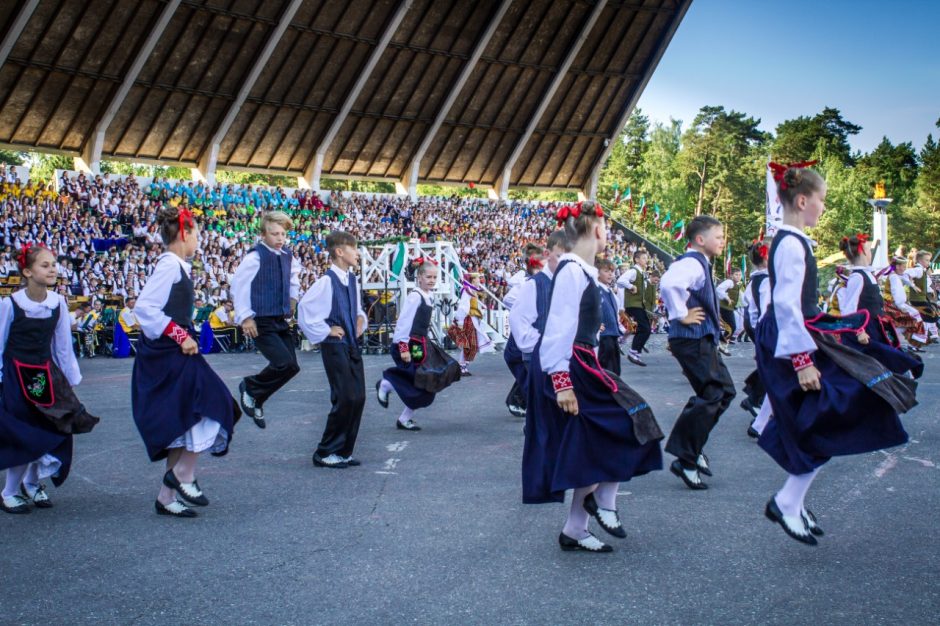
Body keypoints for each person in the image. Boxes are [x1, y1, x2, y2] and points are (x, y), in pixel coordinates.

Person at [756, 164, 915, 545]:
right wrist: (802, 360)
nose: (824, 208)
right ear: (802, 200)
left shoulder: (792, 240)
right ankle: (788, 500)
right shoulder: (792, 243)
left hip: (799, 334)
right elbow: (787, 304)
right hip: (792, 340)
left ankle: (792, 498)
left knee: (830, 412)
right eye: (822, 201)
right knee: (830, 412)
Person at [522, 202, 663, 553]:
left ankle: (576, 527)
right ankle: (603, 501)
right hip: (572, 366)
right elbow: (556, 329)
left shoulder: (580, 271)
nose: (610, 234)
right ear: (597, 229)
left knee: (594, 442)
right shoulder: (571, 271)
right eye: (608, 228)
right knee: (630, 418)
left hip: (581, 361)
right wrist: (562, 382)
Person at [132, 207, 241, 518]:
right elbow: (146, 308)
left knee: (184, 418)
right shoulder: (169, 265)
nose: (199, 240)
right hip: (171, 353)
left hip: (177, 351)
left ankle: (167, 496)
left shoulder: (177, 266)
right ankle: (183, 475)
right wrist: (180, 335)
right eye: (196, 234)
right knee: (216, 402)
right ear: (184, 233)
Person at [0, 245, 99, 514]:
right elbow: (0, 342)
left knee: (48, 427)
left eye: (54, 264)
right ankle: (9, 490)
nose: (53, 269)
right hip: (15, 374)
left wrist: (69, 377)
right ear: (27, 271)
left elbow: (63, 345)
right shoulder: (10, 304)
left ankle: (32, 483)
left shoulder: (56, 302)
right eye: (45, 265)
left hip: (44, 373)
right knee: (24, 431)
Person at [659, 215, 736, 490]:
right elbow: (668, 285)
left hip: (699, 339)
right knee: (714, 393)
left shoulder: (699, 262)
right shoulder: (692, 262)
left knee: (724, 392)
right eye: (719, 236)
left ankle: (691, 449)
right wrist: (680, 314)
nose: (722, 241)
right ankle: (686, 457)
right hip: (692, 339)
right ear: (701, 240)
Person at [297, 231, 367, 469]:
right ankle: (325, 451)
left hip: (351, 345)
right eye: (353, 248)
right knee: (345, 396)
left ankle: (344, 451)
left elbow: (357, 310)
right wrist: (327, 331)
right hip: (336, 347)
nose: (357, 253)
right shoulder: (327, 281)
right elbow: (305, 311)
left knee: (358, 397)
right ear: (339, 251)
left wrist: (360, 319)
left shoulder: (352, 280)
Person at [232, 211, 301, 428]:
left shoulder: (288, 255)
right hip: (260, 320)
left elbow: (293, 278)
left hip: (279, 318)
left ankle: (257, 397)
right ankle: (250, 387)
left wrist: (293, 299)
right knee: (283, 363)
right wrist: (246, 318)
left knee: (292, 367)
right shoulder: (255, 256)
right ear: (263, 235)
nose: (280, 238)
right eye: (274, 234)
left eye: (282, 234)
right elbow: (239, 286)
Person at [376, 258, 459, 431]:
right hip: (410, 345)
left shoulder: (428, 295)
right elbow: (404, 323)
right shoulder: (415, 296)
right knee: (420, 380)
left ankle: (404, 418)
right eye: (428, 276)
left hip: (421, 343)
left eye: (434, 277)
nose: (431, 280)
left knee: (427, 381)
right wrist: (404, 347)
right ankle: (387, 384)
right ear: (419, 277)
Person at [838, 234, 923, 378]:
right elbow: (848, 308)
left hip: (876, 325)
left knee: (886, 358)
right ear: (864, 253)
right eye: (869, 250)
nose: (870, 253)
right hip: (865, 328)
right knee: (876, 361)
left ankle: (896, 383)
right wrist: (859, 331)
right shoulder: (857, 277)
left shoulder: (867, 274)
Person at [508, 230, 568, 413]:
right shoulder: (534, 284)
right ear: (548, 255)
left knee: (555, 409)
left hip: (560, 356)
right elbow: (518, 320)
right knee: (545, 407)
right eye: (559, 257)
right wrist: (540, 344)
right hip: (538, 355)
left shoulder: (566, 283)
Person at [503, 250, 545, 417]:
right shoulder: (527, 282)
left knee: (531, 367)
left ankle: (524, 400)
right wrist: (526, 312)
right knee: (522, 362)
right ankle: (525, 400)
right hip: (527, 331)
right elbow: (509, 300)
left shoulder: (544, 281)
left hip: (535, 332)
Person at [741, 240, 770, 436]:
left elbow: (750, 309)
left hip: (758, 328)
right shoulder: (767, 280)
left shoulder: (755, 280)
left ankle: (758, 411)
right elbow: (765, 310)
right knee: (777, 371)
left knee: (773, 370)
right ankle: (755, 400)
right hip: (766, 329)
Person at [451, 273, 493, 375]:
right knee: (468, 344)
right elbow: (463, 306)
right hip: (468, 319)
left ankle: (464, 366)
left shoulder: (472, 290)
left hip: (473, 319)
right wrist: (460, 321)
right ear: (473, 280)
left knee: (472, 344)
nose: (479, 279)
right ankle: (461, 366)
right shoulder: (467, 290)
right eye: (478, 278)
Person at [883, 256, 928, 352]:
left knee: (903, 323)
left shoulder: (894, 275)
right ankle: (911, 343)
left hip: (891, 304)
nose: (904, 268)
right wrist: (902, 306)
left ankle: (897, 341)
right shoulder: (894, 277)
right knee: (911, 320)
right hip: (894, 304)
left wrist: (913, 285)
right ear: (898, 266)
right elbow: (897, 293)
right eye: (903, 266)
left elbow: (904, 278)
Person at [617, 249, 653, 366]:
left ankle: (635, 352)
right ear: (636, 259)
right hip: (633, 305)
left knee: (645, 328)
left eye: (646, 258)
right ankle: (633, 352)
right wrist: (631, 286)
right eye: (643, 258)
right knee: (645, 328)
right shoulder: (633, 271)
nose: (646, 260)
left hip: (638, 305)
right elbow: (620, 280)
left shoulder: (642, 273)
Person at [905, 250, 939, 343]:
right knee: (930, 315)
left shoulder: (922, 270)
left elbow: (926, 284)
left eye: (929, 260)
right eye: (927, 260)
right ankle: (921, 337)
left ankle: (925, 337)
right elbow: (906, 274)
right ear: (920, 260)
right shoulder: (918, 269)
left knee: (929, 316)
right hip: (917, 299)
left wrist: (931, 291)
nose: (929, 262)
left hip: (921, 298)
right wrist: (912, 285)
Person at [596, 258, 622, 375]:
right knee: (606, 370)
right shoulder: (595, 289)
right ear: (597, 273)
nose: (610, 274)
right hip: (603, 336)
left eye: (612, 271)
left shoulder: (609, 291)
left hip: (613, 334)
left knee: (615, 371)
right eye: (606, 271)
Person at [717, 267, 743, 354]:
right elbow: (719, 289)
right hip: (724, 308)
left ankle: (722, 345)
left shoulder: (737, 285)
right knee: (731, 327)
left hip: (729, 309)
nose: (738, 276)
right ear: (731, 275)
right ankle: (721, 344)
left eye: (739, 275)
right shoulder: (729, 282)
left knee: (731, 327)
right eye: (736, 275)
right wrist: (727, 298)